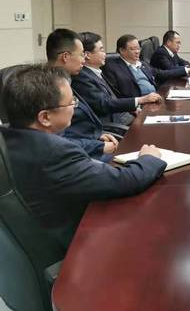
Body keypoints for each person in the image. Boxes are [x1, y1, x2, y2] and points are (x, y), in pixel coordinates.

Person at [0, 64, 166, 249]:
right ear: (45, 117)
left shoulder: (9, 136)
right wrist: (149, 158)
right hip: (75, 243)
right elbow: (123, 181)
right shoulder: (54, 153)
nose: (74, 107)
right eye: (72, 102)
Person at [47, 28, 119, 159]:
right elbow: (58, 141)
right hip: (77, 156)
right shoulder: (49, 88)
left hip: (87, 143)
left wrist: (97, 136)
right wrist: (97, 146)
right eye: (81, 54)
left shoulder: (65, 79)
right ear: (65, 57)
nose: (84, 59)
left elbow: (76, 126)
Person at [72, 32, 161, 126]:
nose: (104, 54)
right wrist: (140, 100)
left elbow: (113, 97)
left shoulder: (96, 72)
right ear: (87, 55)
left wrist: (130, 109)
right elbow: (104, 104)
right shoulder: (82, 77)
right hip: (113, 125)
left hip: (124, 115)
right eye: (101, 50)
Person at [102, 34, 190, 99]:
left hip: (156, 97)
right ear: (122, 51)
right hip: (140, 105)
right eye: (133, 49)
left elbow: (162, 73)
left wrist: (186, 70)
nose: (137, 51)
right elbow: (118, 95)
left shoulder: (142, 64)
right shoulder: (114, 68)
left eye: (138, 48)